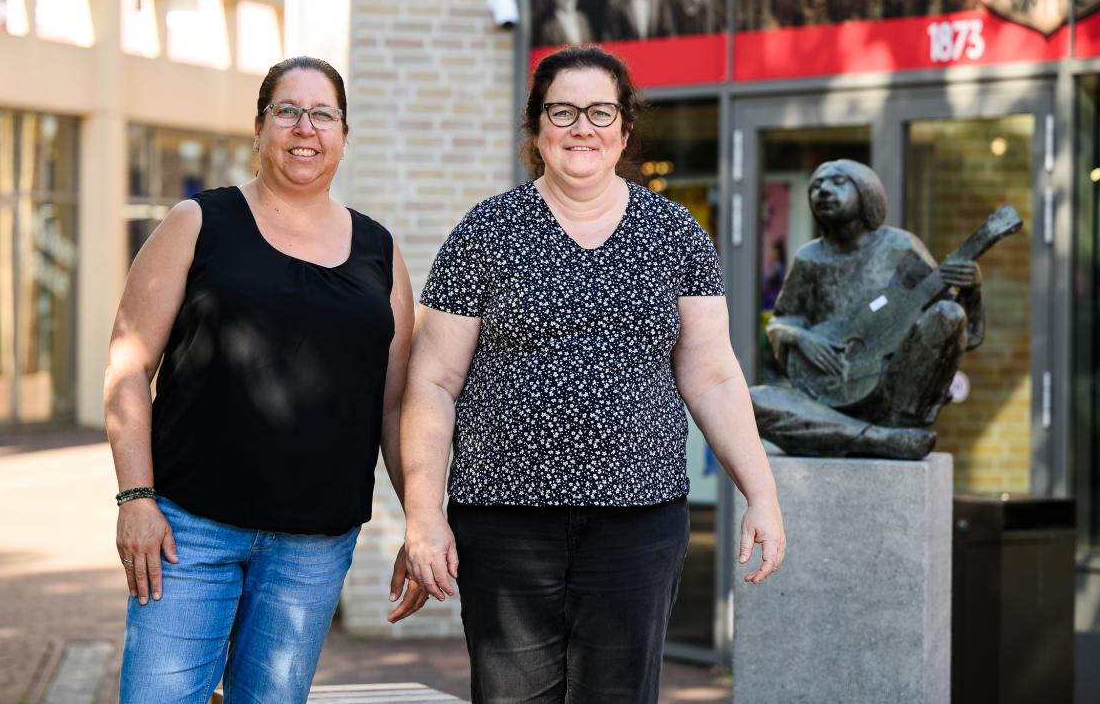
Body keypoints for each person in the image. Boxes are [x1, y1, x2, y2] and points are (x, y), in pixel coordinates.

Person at [398, 46, 786, 704]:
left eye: (600, 111)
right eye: (563, 111)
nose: (583, 127)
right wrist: (424, 515)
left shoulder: (676, 234)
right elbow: (432, 382)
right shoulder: (486, 233)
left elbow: (714, 376)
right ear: (537, 128)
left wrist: (763, 494)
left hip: (638, 523)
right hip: (504, 520)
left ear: (625, 128)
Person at [104, 56, 420, 703]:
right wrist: (136, 496)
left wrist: (422, 521)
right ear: (259, 127)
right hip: (187, 531)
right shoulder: (198, 224)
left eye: (323, 114)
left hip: (314, 546)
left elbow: (393, 409)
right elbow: (128, 363)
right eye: (288, 110)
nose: (305, 128)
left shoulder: (380, 253)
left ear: (343, 133)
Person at [751, 160, 984, 459]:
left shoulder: (899, 247)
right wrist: (801, 338)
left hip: (894, 394)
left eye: (837, 182)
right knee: (751, 401)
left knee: (948, 315)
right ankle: (879, 440)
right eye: (817, 186)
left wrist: (973, 292)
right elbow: (781, 322)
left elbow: (958, 329)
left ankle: (874, 433)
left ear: (866, 191)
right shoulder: (809, 258)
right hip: (827, 395)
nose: (824, 191)